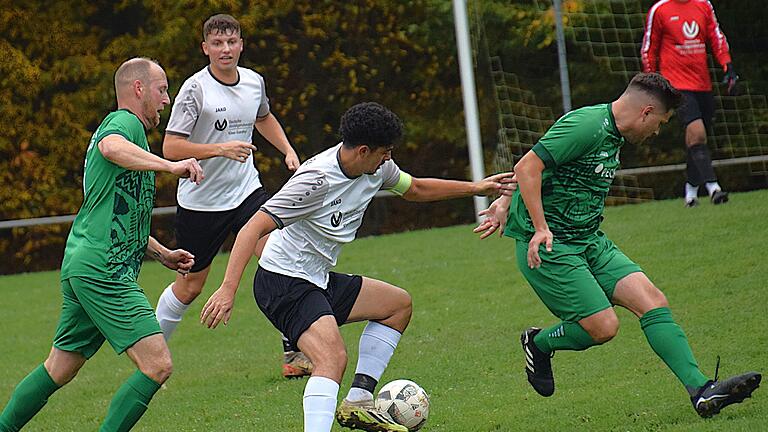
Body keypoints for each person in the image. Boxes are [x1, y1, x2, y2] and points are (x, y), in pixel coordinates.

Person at [199, 102, 516, 432]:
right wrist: (227, 289)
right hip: (283, 281)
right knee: (331, 358)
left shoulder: (376, 169)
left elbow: (416, 188)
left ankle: (359, 402)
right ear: (364, 150)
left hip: (316, 278)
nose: (388, 159)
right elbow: (252, 227)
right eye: (385, 152)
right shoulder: (314, 181)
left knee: (397, 306)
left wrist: (476, 188)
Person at [474, 73, 760, 418]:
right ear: (646, 112)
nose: (656, 132)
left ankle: (701, 391)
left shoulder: (613, 133)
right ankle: (539, 342)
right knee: (604, 328)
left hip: (590, 240)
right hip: (551, 247)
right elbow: (528, 166)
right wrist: (539, 227)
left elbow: (545, 166)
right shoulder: (588, 124)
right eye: (659, 123)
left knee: (652, 301)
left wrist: (504, 203)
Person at [0, 58, 204, 432]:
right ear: (138, 89)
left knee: (59, 368)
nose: (166, 99)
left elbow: (119, 213)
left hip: (85, 262)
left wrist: (161, 254)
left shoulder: (135, 137)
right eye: (161, 89)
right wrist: (169, 166)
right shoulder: (124, 122)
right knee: (157, 365)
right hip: (103, 271)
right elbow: (111, 147)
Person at [151, 14, 311, 378]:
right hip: (201, 203)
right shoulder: (196, 89)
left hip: (246, 191)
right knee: (190, 287)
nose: (226, 49)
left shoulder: (254, 81)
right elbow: (171, 147)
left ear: (241, 44)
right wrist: (219, 149)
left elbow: (263, 117)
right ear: (205, 48)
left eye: (232, 42)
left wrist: (287, 149)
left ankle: (295, 350)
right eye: (218, 44)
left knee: (278, 255)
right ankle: (151, 357)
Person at [641, 0, 736, 207]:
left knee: (696, 140)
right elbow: (649, 48)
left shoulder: (703, 5)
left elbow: (716, 36)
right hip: (676, 85)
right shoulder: (660, 9)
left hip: (703, 84)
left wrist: (727, 65)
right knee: (698, 133)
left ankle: (690, 193)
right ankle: (714, 189)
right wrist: (653, 82)